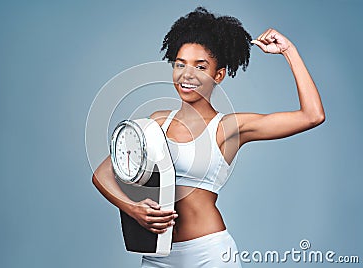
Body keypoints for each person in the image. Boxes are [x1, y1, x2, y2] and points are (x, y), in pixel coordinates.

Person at [92, 7, 325, 268]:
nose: (187, 74)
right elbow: (102, 174)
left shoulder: (228, 128)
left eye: (200, 67)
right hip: (158, 256)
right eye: (180, 64)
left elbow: (312, 115)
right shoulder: (157, 121)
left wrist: (288, 51)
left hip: (208, 254)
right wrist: (132, 209)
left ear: (218, 75)